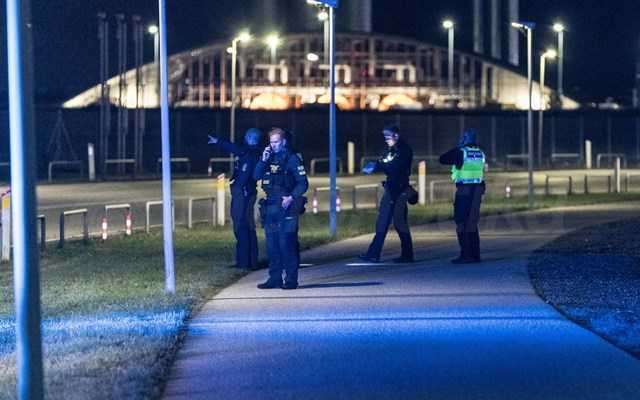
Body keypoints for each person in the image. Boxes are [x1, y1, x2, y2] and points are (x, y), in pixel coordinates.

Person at [254, 127, 309, 289]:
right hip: (271, 206)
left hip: (287, 206)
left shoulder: (292, 158)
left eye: (277, 142)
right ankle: (275, 278)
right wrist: (263, 160)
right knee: (272, 245)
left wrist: (291, 197)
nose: (274, 145)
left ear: (283, 142)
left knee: (287, 244)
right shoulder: (268, 157)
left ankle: (291, 280)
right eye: (271, 142)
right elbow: (256, 176)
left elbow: (303, 183)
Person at [359, 124, 414, 263]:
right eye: (384, 136)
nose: (385, 139)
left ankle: (375, 254)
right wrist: (375, 165)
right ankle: (405, 254)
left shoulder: (404, 150)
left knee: (390, 223)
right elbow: (383, 161)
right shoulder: (392, 150)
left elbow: (394, 166)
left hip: (398, 190)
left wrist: (377, 166)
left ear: (396, 135)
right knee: (392, 222)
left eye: (387, 136)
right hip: (393, 188)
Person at [208, 128, 262, 270]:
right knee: (248, 226)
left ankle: (244, 262)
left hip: (243, 194)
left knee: (240, 226)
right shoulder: (254, 153)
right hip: (247, 192)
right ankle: (250, 261)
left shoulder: (249, 154)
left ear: (249, 138)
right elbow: (236, 149)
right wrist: (219, 142)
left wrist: (218, 142)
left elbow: (236, 149)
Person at [439, 129, 486, 264]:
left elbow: (442, 159)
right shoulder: (481, 153)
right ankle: (475, 255)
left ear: (464, 139)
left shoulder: (461, 152)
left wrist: (458, 147)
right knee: (472, 223)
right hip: (477, 191)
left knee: (461, 222)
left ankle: (465, 255)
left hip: (464, 191)